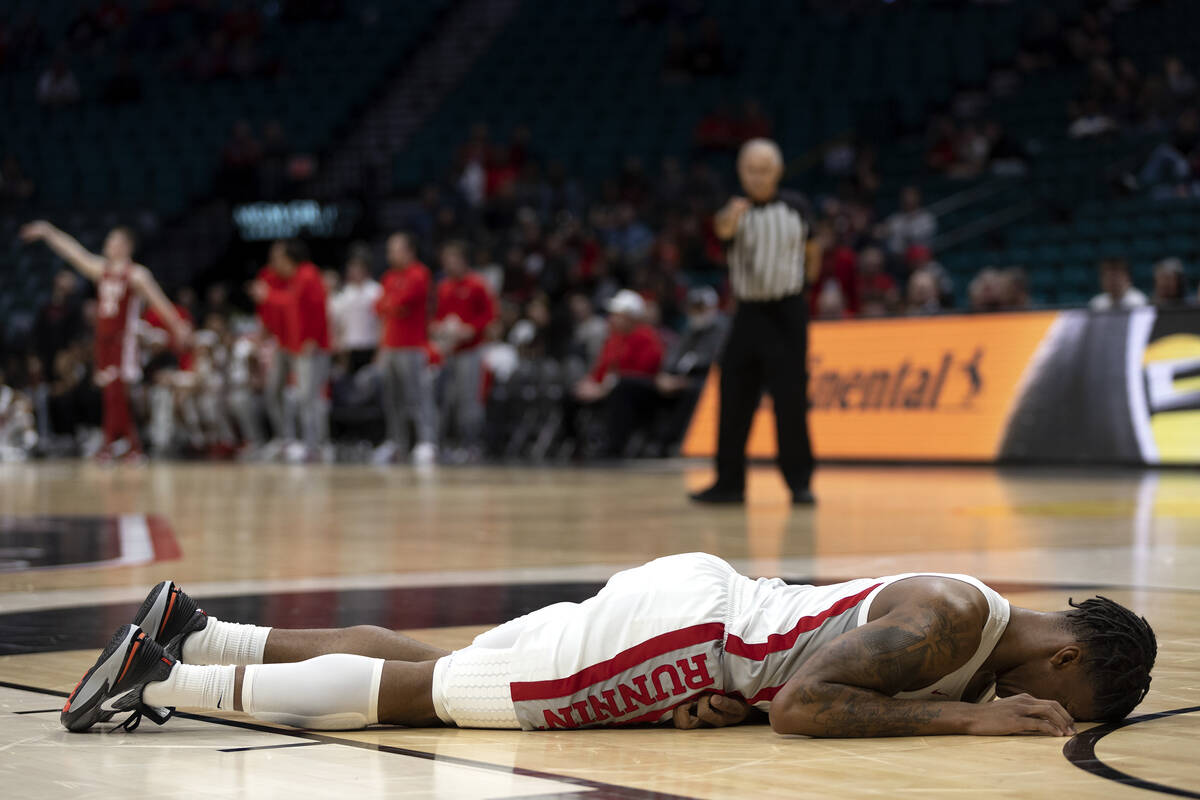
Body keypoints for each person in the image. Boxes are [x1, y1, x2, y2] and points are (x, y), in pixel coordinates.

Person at [64, 552, 1156, 739]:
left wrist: (738, 688)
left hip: (694, 609)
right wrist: (976, 718)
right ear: (1070, 662)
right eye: (1068, 706)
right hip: (682, 629)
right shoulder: (958, 625)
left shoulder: (972, 612)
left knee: (445, 656)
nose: (1049, 713)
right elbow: (806, 707)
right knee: (429, 693)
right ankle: (168, 677)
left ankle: (198, 625)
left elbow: (789, 677)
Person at [690, 139, 815, 506]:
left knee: (790, 402)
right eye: (751, 170)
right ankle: (728, 482)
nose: (758, 177)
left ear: (777, 171)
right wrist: (729, 217)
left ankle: (799, 483)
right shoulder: (732, 211)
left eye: (765, 169)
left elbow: (814, 249)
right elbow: (721, 234)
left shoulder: (797, 207)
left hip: (787, 313)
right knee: (732, 397)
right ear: (741, 172)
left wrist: (804, 285)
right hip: (747, 313)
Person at [19, 221, 191, 462]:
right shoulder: (101, 270)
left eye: (112, 241)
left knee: (115, 393)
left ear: (125, 246)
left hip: (124, 342)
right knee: (111, 394)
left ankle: (118, 446)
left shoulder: (137, 274)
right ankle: (125, 446)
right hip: (104, 341)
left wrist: (177, 326)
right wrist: (49, 232)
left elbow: (158, 301)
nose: (107, 245)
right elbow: (74, 252)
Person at [249, 239, 330, 462]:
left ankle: (315, 446)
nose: (273, 261)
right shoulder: (283, 278)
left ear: (289, 258)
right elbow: (279, 310)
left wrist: (312, 338)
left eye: (278, 257)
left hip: (309, 346)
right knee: (274, 390)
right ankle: (286, 440)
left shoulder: (307, 275)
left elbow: (317, 308)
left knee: (308, 397)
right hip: (286, 345)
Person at [573, 289, 664, 457]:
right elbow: (602, 366)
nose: (612, 318)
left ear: (631, 317)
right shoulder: (614, 338)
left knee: (622, 388)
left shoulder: (647, 338)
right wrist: (591, 382)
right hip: (610, 388)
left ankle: (613, 448)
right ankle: (574, 445)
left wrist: (605, 387)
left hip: (638, 392)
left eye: (617, 314)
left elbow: (645, 370)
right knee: (571, 394)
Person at [373, 233, 437, 466]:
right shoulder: (389, 277)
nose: (390, 254)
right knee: (393, 400)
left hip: (412, 346)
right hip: (390, 346)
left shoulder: (419, 273)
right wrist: (392, 305)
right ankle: (398, 443)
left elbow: (402, 301)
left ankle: (427, 442)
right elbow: (380, 306)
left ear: (409, 250)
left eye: (395, 249)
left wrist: (391, 304)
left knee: (418, 398)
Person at [430, 240, 497, 460]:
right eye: (445, 261)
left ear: (462, 260)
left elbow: (489, 316)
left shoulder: (477, 284)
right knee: (450, 399)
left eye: (452, 260)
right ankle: (452, 443)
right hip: (450, 351)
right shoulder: (444, 287)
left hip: (471, 352)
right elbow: (436, 317)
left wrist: (471, 329)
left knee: (470, 400)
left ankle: (472, 444)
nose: (448, 265)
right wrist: (439, 327)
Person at [329, 248, 382, 374]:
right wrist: (337, 343)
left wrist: (380, 349)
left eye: (359, 268)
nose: (355, 271)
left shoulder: (376, 291)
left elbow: (381, 321)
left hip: (371, 345)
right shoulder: (344, 294)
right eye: (352, 267)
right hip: (349, 347)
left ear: (366, 269)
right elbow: (337, 321)